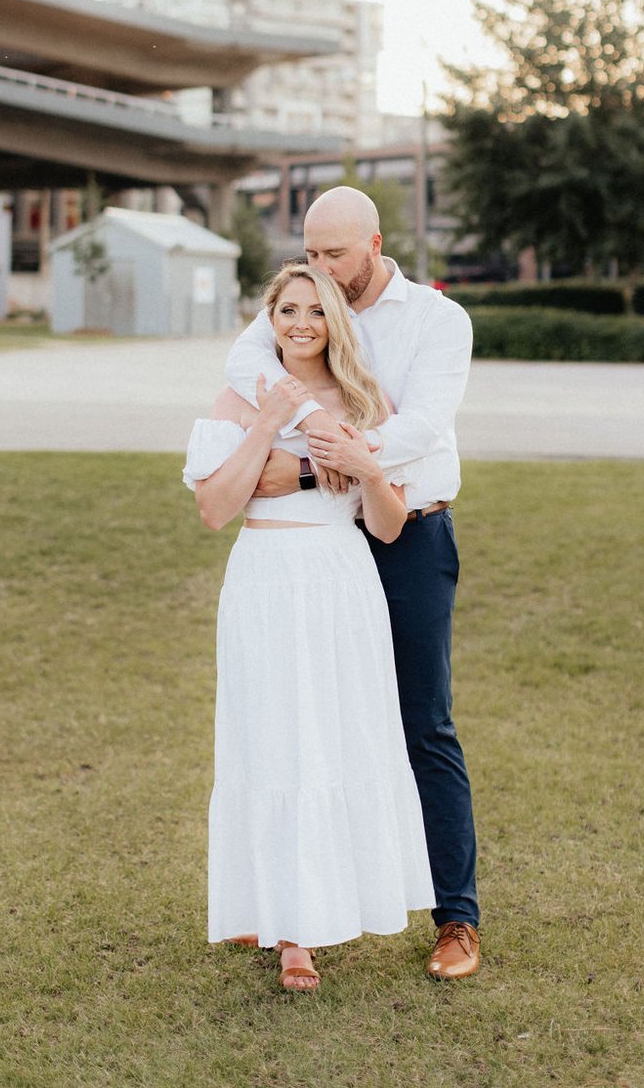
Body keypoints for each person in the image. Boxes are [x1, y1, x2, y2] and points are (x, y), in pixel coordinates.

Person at [225, 187, 480, 980]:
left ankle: (455, 919)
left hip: (408, 533)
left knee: (420, 722)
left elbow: (421, 425)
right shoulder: (305, 303)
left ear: (374, 243)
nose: (321, 270)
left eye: (336, 254)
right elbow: (243, 365)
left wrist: (306, 462)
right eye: (310, 252)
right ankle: (299, 906)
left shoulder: (438, 320)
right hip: (323, 543)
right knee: (307, 721)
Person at [183, 263, 435, 992]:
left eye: (315, 311)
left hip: (339, 579)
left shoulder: (364, 400)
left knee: (329, 734)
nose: (300, 323)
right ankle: (267, 908)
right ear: (269, 318)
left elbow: (387, 525)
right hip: (264, 576)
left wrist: (367, 468)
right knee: (270, 736)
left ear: (334, 322)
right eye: (286, 309)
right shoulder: (239, 396)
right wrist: (265, 424)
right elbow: (213, 507)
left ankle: (305, 928)